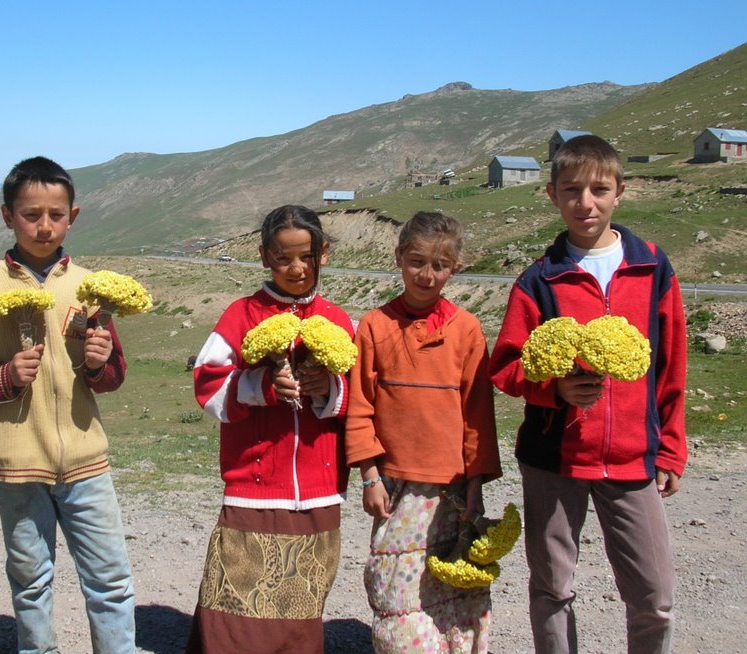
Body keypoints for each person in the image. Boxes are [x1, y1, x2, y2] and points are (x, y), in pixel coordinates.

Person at [488, 134, 687, 654]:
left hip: (632, 457)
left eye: (599, 189)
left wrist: (670, 447)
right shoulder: (538, 281)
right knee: (553, 588)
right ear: (553, 195)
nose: (586, 202)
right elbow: (506, 368)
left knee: (654, 595)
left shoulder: (653, 269)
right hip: (554, 459)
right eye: (572, 189)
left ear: (621, 191)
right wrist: (553, 389)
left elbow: (670, 367)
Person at [0, 156, 135, 654]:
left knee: (111, 581)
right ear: (8, 216)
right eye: (31, 214)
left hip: (86, 458)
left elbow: (111, 378)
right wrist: (4, 377)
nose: (44, 225)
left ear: (74, 215)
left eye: (56, 213)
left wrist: (100, 362)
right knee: (31, 582)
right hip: (16, 462)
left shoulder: (90, 288)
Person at [185, 204, 354, 654]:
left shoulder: (338, 321)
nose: (296, 268)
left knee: (301, 607)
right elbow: (207, 385)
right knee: (233, 605)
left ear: (324, 252)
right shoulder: (242, 315)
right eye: (283, 258)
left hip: (319, 489)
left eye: (306, 256)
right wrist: (258, 385)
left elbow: (363, 398)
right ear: (264, 256)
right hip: (252, 486)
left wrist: (329, 389)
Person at [346, 210, 502, 653]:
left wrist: (476, 485)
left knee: (454, 584)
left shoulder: (467, 330)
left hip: (453, 487)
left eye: (440, 265)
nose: (427, 275)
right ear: (398, 258)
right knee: (396, 586)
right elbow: (359, 407)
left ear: (456, 267)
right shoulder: (374, 326)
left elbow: (477, 416)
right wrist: (370, 475)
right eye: (417, 261)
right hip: (396, 485)